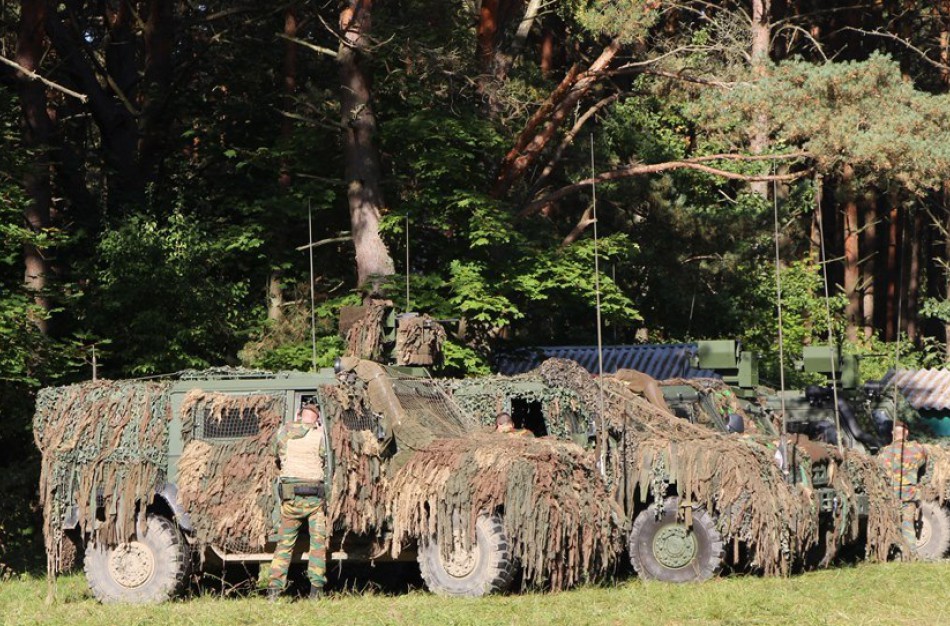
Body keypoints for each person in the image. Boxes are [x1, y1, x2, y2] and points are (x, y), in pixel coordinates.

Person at [267, 403, 328, 600]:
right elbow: (325, 459)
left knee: (284, 545)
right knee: (317, 544)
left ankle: (274, 591)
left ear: (299, 415)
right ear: (316, 418)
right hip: (314, 500)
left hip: (290, 500)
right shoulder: (320, 436)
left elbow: (275, 453)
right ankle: (316, 591)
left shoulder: (284, 432)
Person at [878, 420, 927, 560]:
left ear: (893, 433)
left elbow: (880, 469)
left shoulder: (885, 452)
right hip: (909, 493)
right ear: (907, 432)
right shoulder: (917, 449)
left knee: (891, 522)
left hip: (891, 493)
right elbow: (923, 461)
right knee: (907, 523)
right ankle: (910, 555)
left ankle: (891, 553)